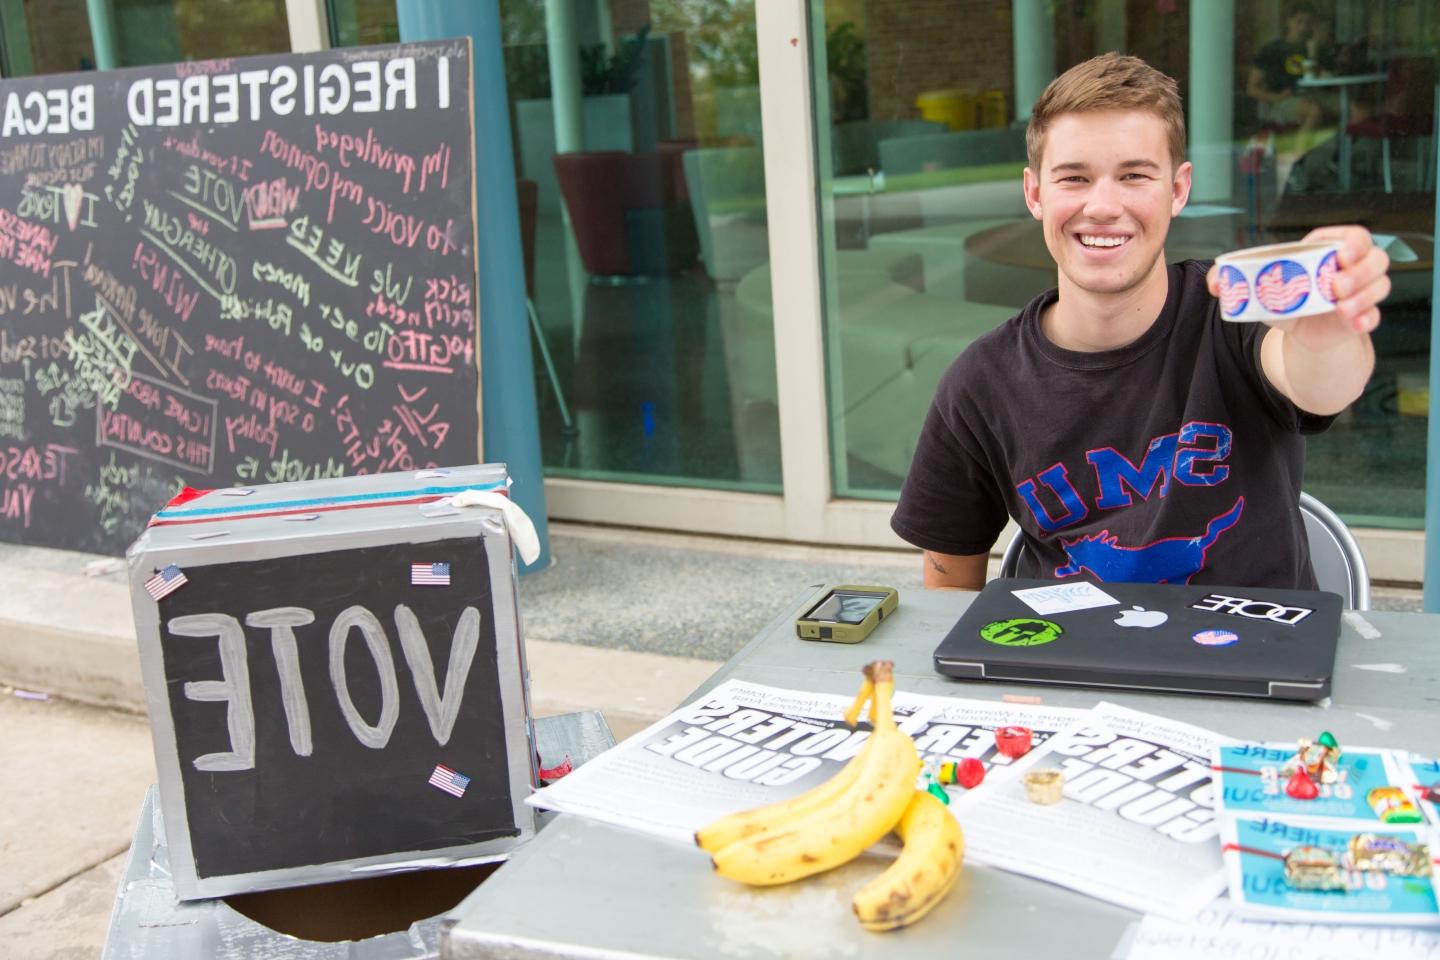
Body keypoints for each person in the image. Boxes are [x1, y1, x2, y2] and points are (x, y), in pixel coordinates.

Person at [890, 53, 1389, 591]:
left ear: (1178, 189)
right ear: (1035, 193)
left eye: (1134, 176)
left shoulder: (1233, 317)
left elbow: (1320, 381)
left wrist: (1330, 329)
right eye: (1075, 178)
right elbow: (946, 595)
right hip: (1067, 667)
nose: (1103, 206)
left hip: (1251, 659)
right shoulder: (980, 383)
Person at [1247, 1, 1325, 135]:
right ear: (1289, 22)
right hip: (1284, 101)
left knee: (1356, 109)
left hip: (1314, 95)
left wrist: (1313, 54)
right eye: (1299, 22)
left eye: (1308, 23)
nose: (1303, 28)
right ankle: (1294, 155)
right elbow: (1251, 88)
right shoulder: (1272, 50)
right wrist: (1275, 97)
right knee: (1314, 111)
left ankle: (1342, 154)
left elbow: (1318, 78)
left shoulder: (1314, 48)